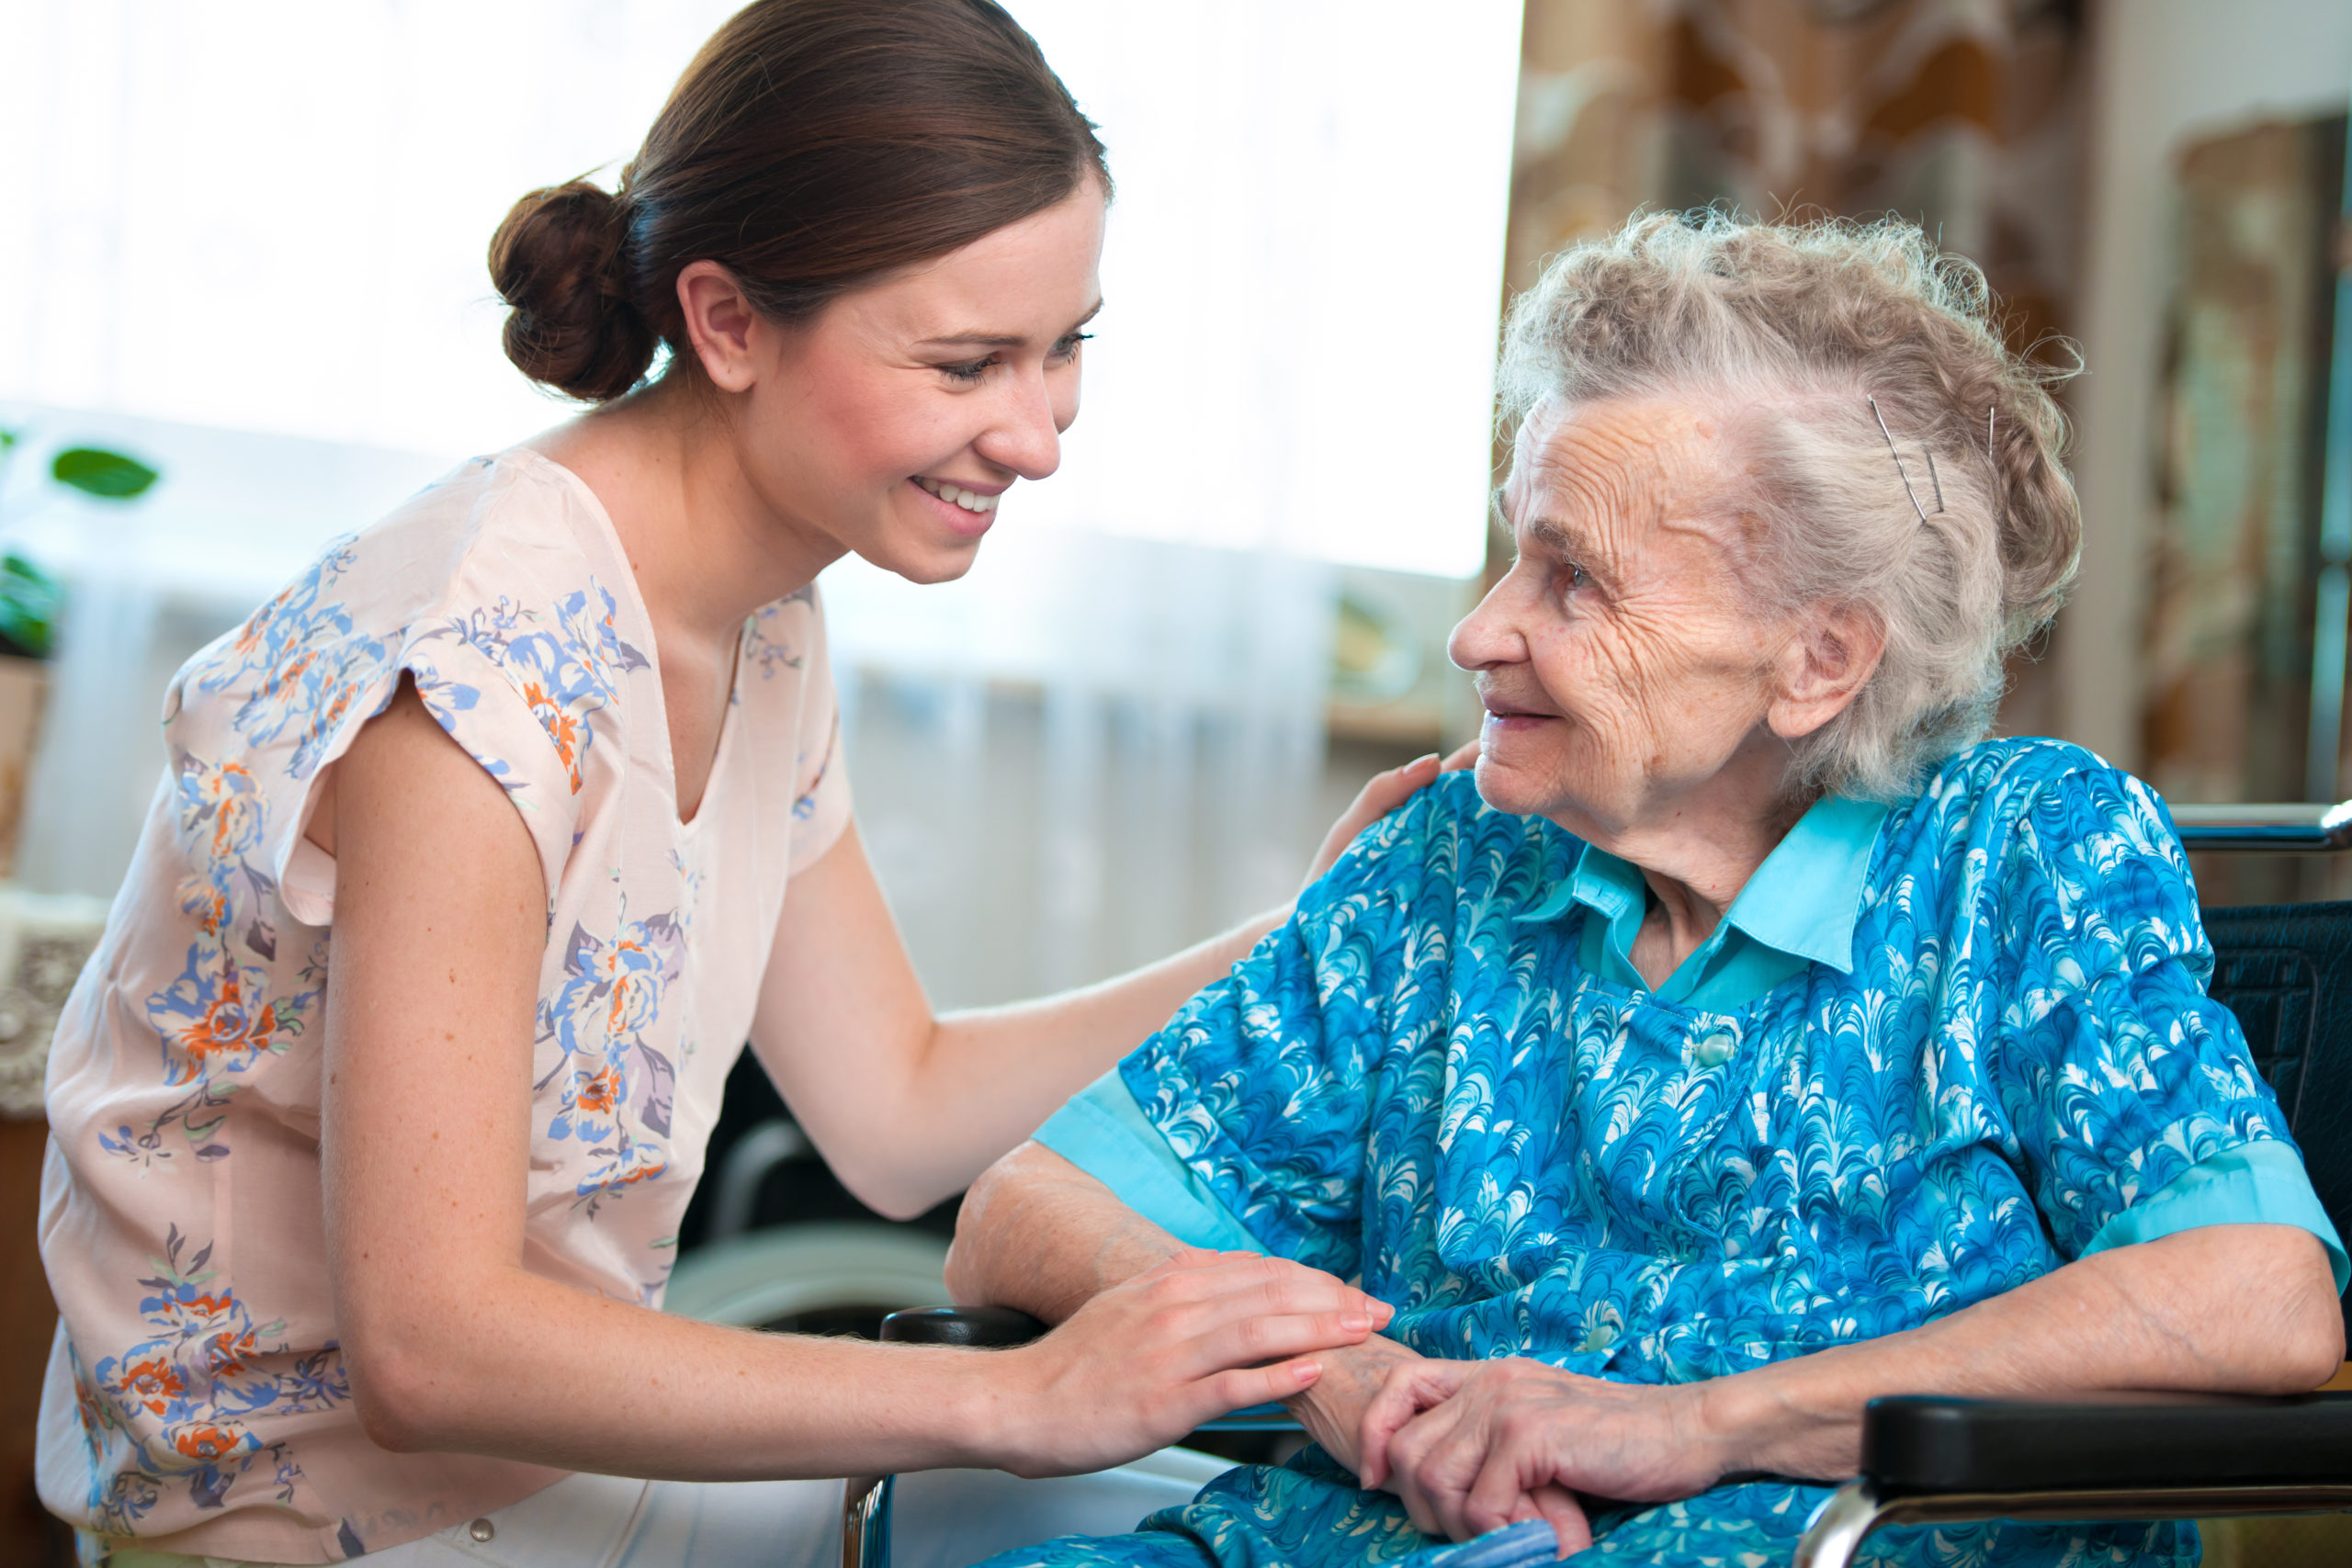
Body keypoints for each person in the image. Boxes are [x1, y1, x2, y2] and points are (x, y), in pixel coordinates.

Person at [37, 4, 1423, 1564]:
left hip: (541, 1478)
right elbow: (430, 1352)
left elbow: (895, 1108)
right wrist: (1024, 1397)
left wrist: (1309, 931)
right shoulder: (480, 675)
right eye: (967, 361)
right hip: (299, 1516)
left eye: (1066, 347)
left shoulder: (758, 609)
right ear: (730, 321)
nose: (1036, 438)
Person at [944, 212, 2352, 1568]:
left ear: (1818, 661)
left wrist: (1694, 1429)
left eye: (1575, 581)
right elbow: (1022, 1213)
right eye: (1516, 550)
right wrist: (1350, 1380)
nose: (1479, 630)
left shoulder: (2022, 854)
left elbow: (2252, 1293)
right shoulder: (1454, 858)